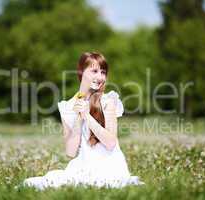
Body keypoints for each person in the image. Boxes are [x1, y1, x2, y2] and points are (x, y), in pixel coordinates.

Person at [23, 52, 145, 190]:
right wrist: (79, 118)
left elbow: (111, 143)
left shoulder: (108, 102)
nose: (100, 77)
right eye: (94, 71)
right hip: (84, 164)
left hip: (110, 164)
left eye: (103, 72)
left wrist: (87, 116)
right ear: (81, 72)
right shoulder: (68, 107)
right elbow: (70, 151)